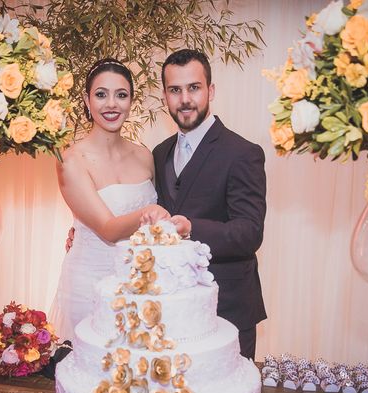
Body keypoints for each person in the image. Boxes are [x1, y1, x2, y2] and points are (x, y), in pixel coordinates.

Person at [50, 58, 188, 341]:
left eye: (121, 95)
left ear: (130, 102)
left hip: (140, 285)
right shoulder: (71, 160)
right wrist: (147, 212)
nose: (111, 104)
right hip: (90, 283)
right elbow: (108, 229)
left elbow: (160, 220)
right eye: (101, 94)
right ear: (87, 101)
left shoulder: (144, 156)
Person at [149, 49, 267, 360]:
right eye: (175, 90)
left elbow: (249, 232)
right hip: (172, 311)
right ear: (165, 96)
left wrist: (191, 228)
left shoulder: (243, 152)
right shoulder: (159, 153)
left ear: (210, 91)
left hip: (228, 308)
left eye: (194, 87)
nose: (185, 99)